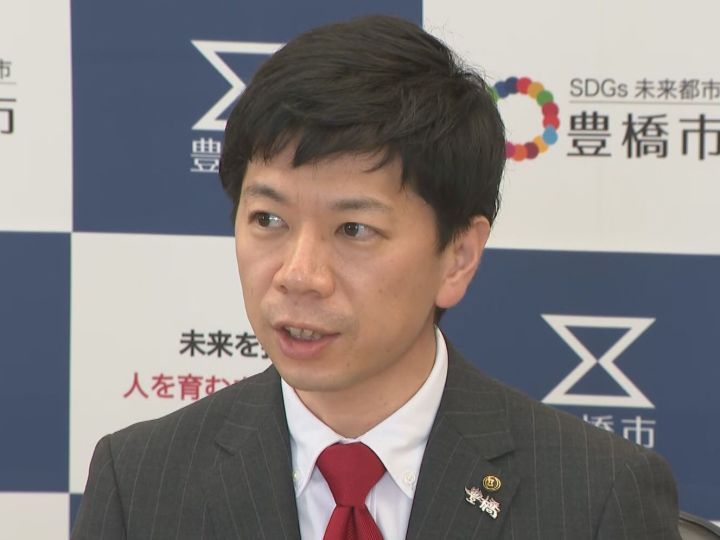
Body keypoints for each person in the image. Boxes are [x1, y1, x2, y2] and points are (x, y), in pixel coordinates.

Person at [72, 15, 681, 539]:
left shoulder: (596, 493)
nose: (298, 276)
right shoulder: (142, 480)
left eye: (354, 229)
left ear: (459, 256)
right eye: (268, 219)